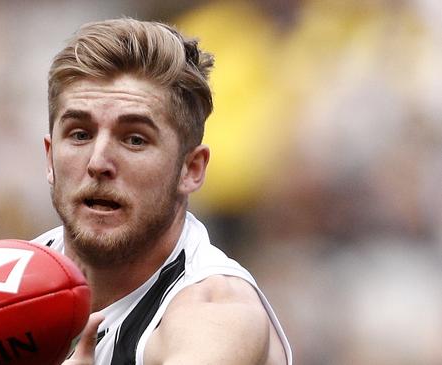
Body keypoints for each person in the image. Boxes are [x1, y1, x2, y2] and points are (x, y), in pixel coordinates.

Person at [32, 18, 292, 365]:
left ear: (191, 169)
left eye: (134, 139)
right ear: (50, 156)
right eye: (80, 134)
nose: (98, 162)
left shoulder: (216, 314)